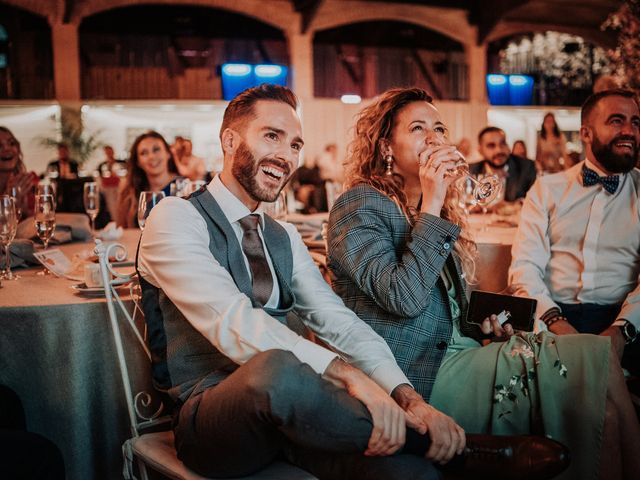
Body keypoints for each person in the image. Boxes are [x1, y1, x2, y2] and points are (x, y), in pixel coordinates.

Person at [137, 85, 561, 480]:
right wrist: (352, 378)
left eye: (295, 144)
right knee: (276, 368)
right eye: (271, 136)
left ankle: (435, 452)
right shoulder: (176, 216)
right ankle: (462, 450)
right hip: (211, 422)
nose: (285, 155)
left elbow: (338, 320)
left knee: (413, 474)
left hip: (301, 418)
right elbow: (234, 324)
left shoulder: (281, 236)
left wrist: (407, 397)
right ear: (229, 141)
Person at [326, 86, 640, 480]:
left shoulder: (429, 209)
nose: (435, 139)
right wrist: (434, 201)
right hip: (415, 372)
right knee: (593, 375)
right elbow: (402, 297)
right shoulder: (359, 204)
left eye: (439, 129)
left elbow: (445, 307)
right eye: (419, 128)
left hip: (459, 350)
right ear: (386, 146)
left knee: (600, 378)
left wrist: (483, 325)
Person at [509, 88, 640, 379]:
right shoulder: (547, 189)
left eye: (636, 122)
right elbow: (525, 267)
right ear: (586, 133)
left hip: (625, 320)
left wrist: (622, 330)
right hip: (552, 316)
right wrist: (556, 322)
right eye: (617, 121)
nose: (629, 131)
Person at [115, 131, 178, 228]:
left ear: (168, 153)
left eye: (156, 149)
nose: (151, 157)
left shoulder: (183, 187)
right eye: (144, 153)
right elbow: (121, 229)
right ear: (138, 162)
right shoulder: (129, 193)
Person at [469, 127, 536, 202]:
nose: (499, 150)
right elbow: (464, 199)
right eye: (491, 145)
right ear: (480, 150)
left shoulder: (526, 167)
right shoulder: (471, 170)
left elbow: (535, 201)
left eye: (503, 143)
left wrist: (514, 205)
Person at [0, 126, 37, 219]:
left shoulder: (26, 182)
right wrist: (7, 203)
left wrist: (23, 211)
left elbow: (36, 222)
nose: (7, 149)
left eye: (11, 143)